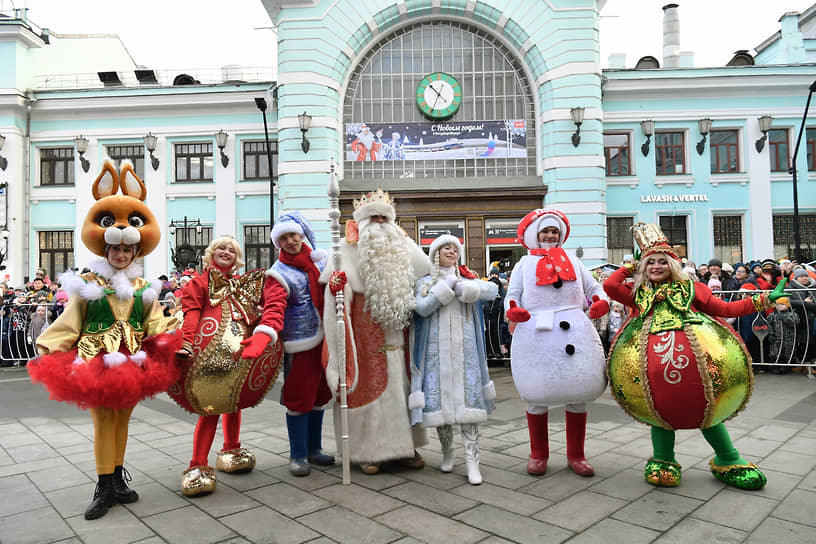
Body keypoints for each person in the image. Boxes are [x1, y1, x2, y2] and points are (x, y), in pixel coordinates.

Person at [28, 159, 180, 520]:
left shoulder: (145, 289)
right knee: (103, 421)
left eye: (128, 251)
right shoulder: (88, 287)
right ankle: (103, 486)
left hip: (132, 360)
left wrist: (179, 333)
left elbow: (157, 324)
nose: (122, 255)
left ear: (135, 253)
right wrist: (48, 348)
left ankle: (117, 477)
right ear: (106, 251)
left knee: (123, 419)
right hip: (95, 361)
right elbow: (70, 322)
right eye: (116, 251)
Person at [603, 223, 787, 490]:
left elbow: (724, 308)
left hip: (699, 373)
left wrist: (764, 300)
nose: (656, 267)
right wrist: (631, 266)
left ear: (672, 265)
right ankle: (664, 460)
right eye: (650, 263)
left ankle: (728, 459)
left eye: (662, 262)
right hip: (652, 378)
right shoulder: (638, 293)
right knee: (660, 412)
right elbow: (610, 285)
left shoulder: (692, 289)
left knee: (707, 411)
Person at [321, 187, 432, 474]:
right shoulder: (345, 249)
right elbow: (336, 298)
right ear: (362, 222)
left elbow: (427, 272)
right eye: (375, 218)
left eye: (385, 218)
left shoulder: (401, 244)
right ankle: (367, 452)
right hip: (363, 335)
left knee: (402, 391)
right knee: (370, 393)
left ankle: (405, 448)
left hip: (399, 335)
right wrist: (337, 289)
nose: (381, 223)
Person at [170, 236, 284, 497]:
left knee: (234, 402)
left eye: (231, 250)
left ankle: (231, 447)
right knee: (211, 407)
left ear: (237, 258)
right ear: (211, 253)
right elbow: (192, 312)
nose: (226, 252)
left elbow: (259, 310)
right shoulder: (201, 282)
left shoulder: (242, 286)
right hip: (209, 360)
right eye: (221, 247)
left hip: (240, 357)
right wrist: (187, 343)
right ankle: (197, 464)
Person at [504, 209, 610, 477]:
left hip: (574, 329)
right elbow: (512, 295)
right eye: (545, 231)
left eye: (554, 232)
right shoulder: (524, 265)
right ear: (535, 235)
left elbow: (594, 288)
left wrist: (600, 302)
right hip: (536, 333)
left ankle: (577, 455)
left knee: (577, 397)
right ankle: (538, 454)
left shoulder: (573, 261)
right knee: (537, 395)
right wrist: (514, 309)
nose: (550, 236)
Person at [241, 212, 335, 477]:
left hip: (326, 341)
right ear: (278, 243)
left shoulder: (321, 261)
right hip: (300, 343)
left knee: (319, 396)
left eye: (293, 235)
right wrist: (262, 337)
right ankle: (297, 455)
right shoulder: (277, 274)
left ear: (301, 234)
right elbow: (273, 310)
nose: (291, 241)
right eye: (284, 238)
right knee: (299, 398)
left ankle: (314, 450)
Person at [411, 235, 497, 485]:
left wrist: (467, 288)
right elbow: (422, 308)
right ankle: (447, 452)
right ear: (435, 253)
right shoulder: (425, 283)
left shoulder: (467, 279)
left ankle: (472, 461)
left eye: (454, 248)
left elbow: (492, 290)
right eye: (445, 248)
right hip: (435, 355)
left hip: (465, 354)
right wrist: (444, 289)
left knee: (468, 407)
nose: (450, 251)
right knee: (440, 408)